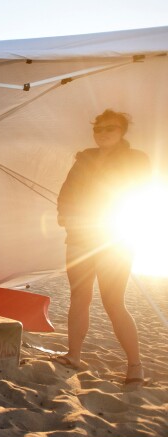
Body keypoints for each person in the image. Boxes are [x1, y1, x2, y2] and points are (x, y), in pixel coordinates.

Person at [55, 109, 151, 386]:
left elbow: (138, 195)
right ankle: (73, 355)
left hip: (115, 240)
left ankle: (135, 365)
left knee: (113, 302)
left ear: (122, 132)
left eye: (110, 128)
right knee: (79, 297)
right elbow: (66, 193)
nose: (103, 133)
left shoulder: (136, 160)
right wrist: (65, 215)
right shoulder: (83, 159)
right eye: (98, 128)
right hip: (80, 238)